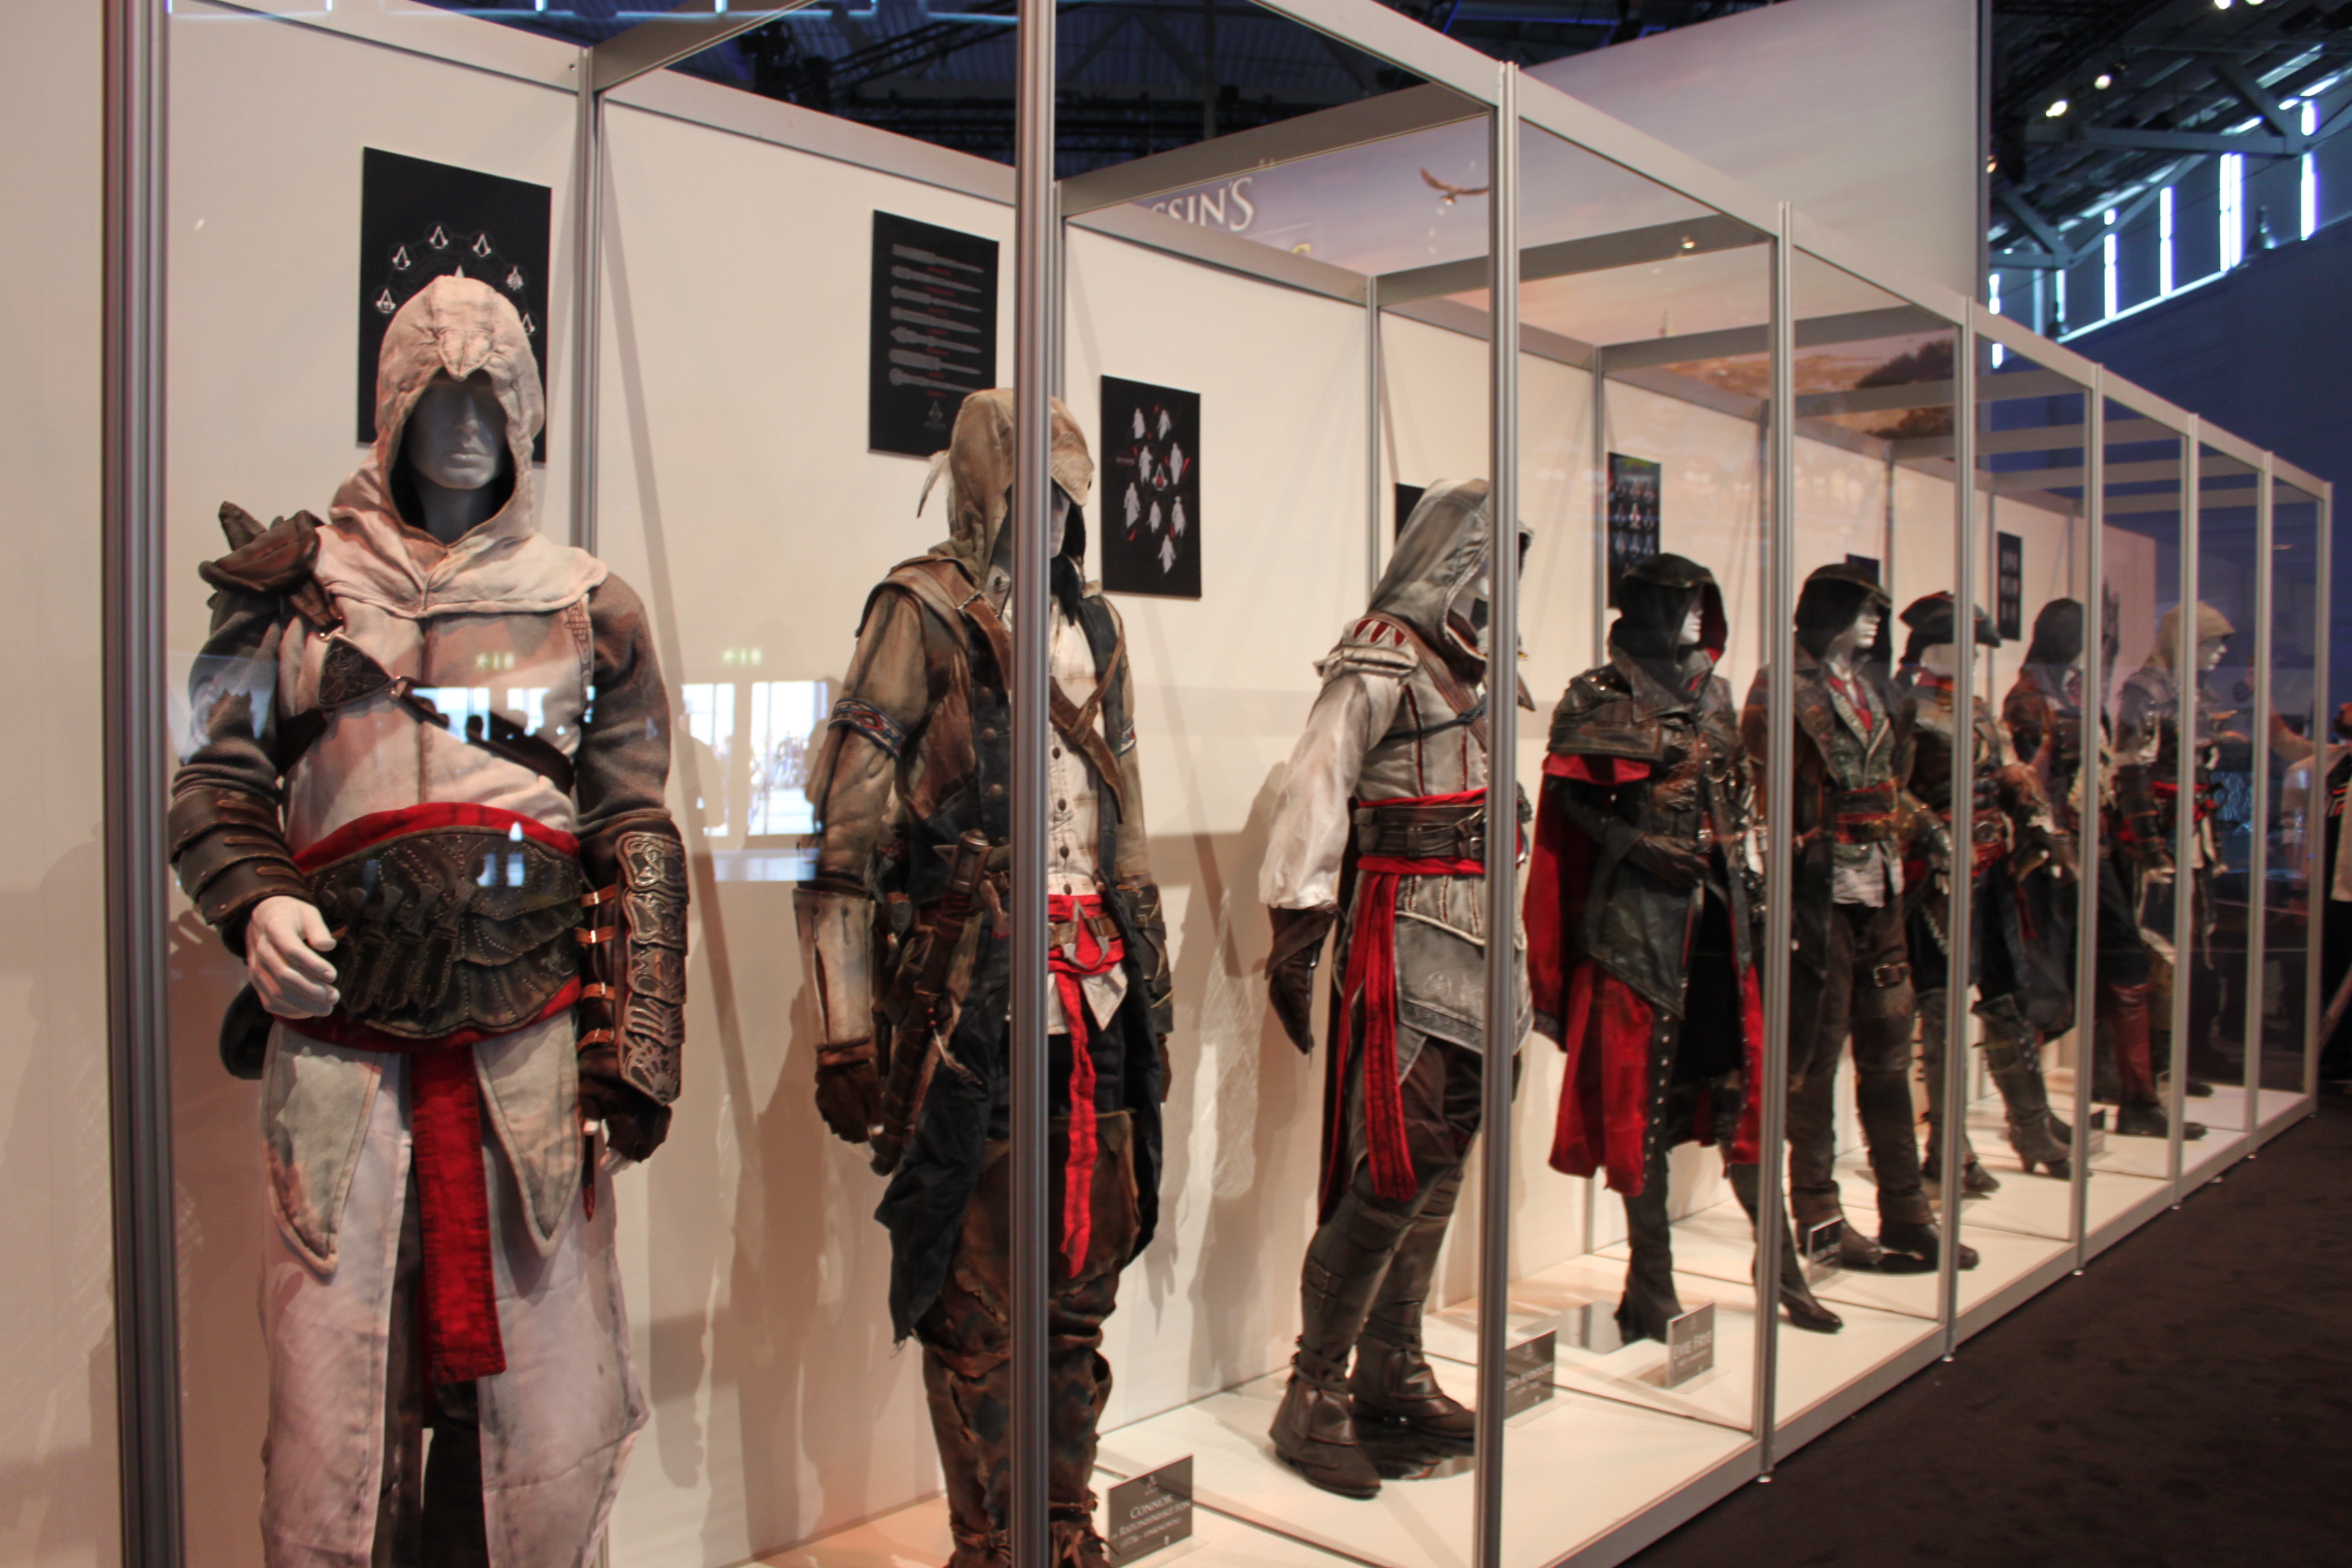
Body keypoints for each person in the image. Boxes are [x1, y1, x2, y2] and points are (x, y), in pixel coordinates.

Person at [170, 276, 684, 1566]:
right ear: (392, 404)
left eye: (490, 396)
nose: (464, 425)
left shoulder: (591, 606)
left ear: (527, 413)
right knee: (339, 1411)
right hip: (341, 1050)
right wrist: (259, 897)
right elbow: (215, 779)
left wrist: (632, 1055)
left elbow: (632, 825)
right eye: (438, 394)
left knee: (536, 1416)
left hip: (527, 1050)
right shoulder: (292, 593)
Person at [796, 389, 1174, 1568]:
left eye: (1068, 498)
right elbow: (843, 836)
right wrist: (845, 1034)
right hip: (967, 1002)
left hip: (1096, 998)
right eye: (1031, 492)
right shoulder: (917, 610)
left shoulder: (1098, 627)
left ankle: (1061, 1527)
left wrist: (1153, 989)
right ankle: (988, 1541)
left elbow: (1125, 819)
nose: (1051, 518)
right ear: (982, 490)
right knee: (974, 1304)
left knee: (1080, 1287)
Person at [1259, 480, 1530, 1498]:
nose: (1498, 581)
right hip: (1404, 936)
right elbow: (1319, 780)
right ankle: (1313, 1390)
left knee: (1444, 1160)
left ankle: (1392, 1366)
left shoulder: (1485, 666)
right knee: (1391, 1166)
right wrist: (1299, 924)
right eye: (1487, 557)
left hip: (1484, 936)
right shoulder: (1381, 653)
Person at [1526, 553, 1840, 1339]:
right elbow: (1567, 796)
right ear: (1645, 606)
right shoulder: (1596, 695)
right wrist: (1635, 844)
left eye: (1701, 600)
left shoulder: (1718, 694)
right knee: (1642, 1103)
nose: (1696, 613)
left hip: (1722, 923)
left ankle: (1782, 1267)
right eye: (1681, 600)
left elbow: (1736, 796)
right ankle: (1651, 1283)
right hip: (1636, 928)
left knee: (1743, 1093)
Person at [1742, 563, 1974, 1273]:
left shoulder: (1877, 692)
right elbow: (1764, 789)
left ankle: (1907, 1209)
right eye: (1862, 608)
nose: (1875, 620)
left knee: (1889, 1052)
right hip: (1817, 894)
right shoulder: (1781, 687)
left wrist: (1926, 826)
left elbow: (1891, 782)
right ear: (1829, 612)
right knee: (1815, 1058)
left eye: (1877, 610)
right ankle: (1819, 1214)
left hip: (1882, 883)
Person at [1897, 593, 2075, 1188]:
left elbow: (2000, 771)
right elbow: (1892, 789)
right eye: (1965, 646)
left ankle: (2030, 1125)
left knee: (2007, 994)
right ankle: (1948, 1146)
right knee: (1941, 1009)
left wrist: (2034, 813)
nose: (1974, 657)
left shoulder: (1975, 708)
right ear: (1936, 648)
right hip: (1937, 879)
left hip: (1994, 867)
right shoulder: (1908, 709)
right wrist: (1930, 831)